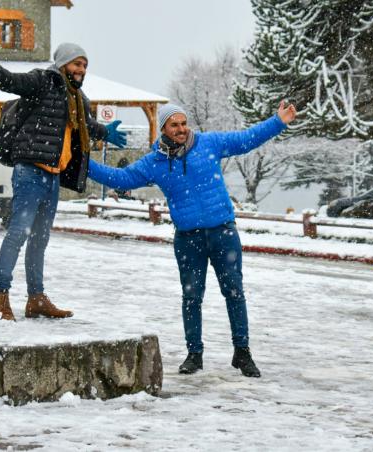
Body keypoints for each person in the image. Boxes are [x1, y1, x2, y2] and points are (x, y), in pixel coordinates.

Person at [87, 101, 296, 377]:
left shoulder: (209, 143)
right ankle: (194, 354)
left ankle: (242, 353)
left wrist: (277, 121)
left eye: (184, 123)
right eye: (174, 125)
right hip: (188, 238)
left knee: (234, 292)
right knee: (191, 297)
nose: (182, 129)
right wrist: (81, 162)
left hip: (223, 231)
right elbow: (121, 178)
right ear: (163, 129)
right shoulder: (155, 164)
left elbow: (247, 140)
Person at [0, 37, 128, 321]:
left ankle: (36, 298)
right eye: (78, 63)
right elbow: (12, 82)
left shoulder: (78, 98)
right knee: (18, 233)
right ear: (64, 63)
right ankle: (0, 296)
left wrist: (105, 132)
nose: (82, 69)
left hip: (53, 176)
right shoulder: (43, 81)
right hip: (30, 171)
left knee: (40, 240)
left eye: (85, 65)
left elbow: (86, 125)